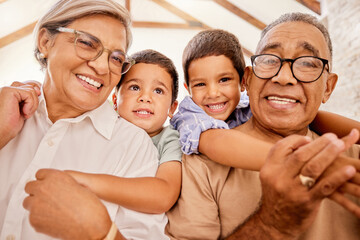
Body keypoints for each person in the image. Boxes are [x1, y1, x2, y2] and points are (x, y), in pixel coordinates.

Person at [165, 13, 360, 240]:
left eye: (307, 63)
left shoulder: (352, 158)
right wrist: (271, 225)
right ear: (249, 78)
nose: (284, 77)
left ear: (328, 87)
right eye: (269, 60)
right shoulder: (199, 162)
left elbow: (316, 117)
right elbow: (215, 141)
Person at [0, 0, 168, 239]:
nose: (102, 67)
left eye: (116, 59)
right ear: (45, 42)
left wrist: (102, 233)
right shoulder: (3, 109)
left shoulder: (132, 145)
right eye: (88, 43)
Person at [65, 49, 182, 214]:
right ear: (115, 100)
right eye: (135, 87)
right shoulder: (101, 127)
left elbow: (164, 195)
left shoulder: (170, 138)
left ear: (172, 108)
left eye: (158, 91)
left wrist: (88, 183)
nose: (145, 97)